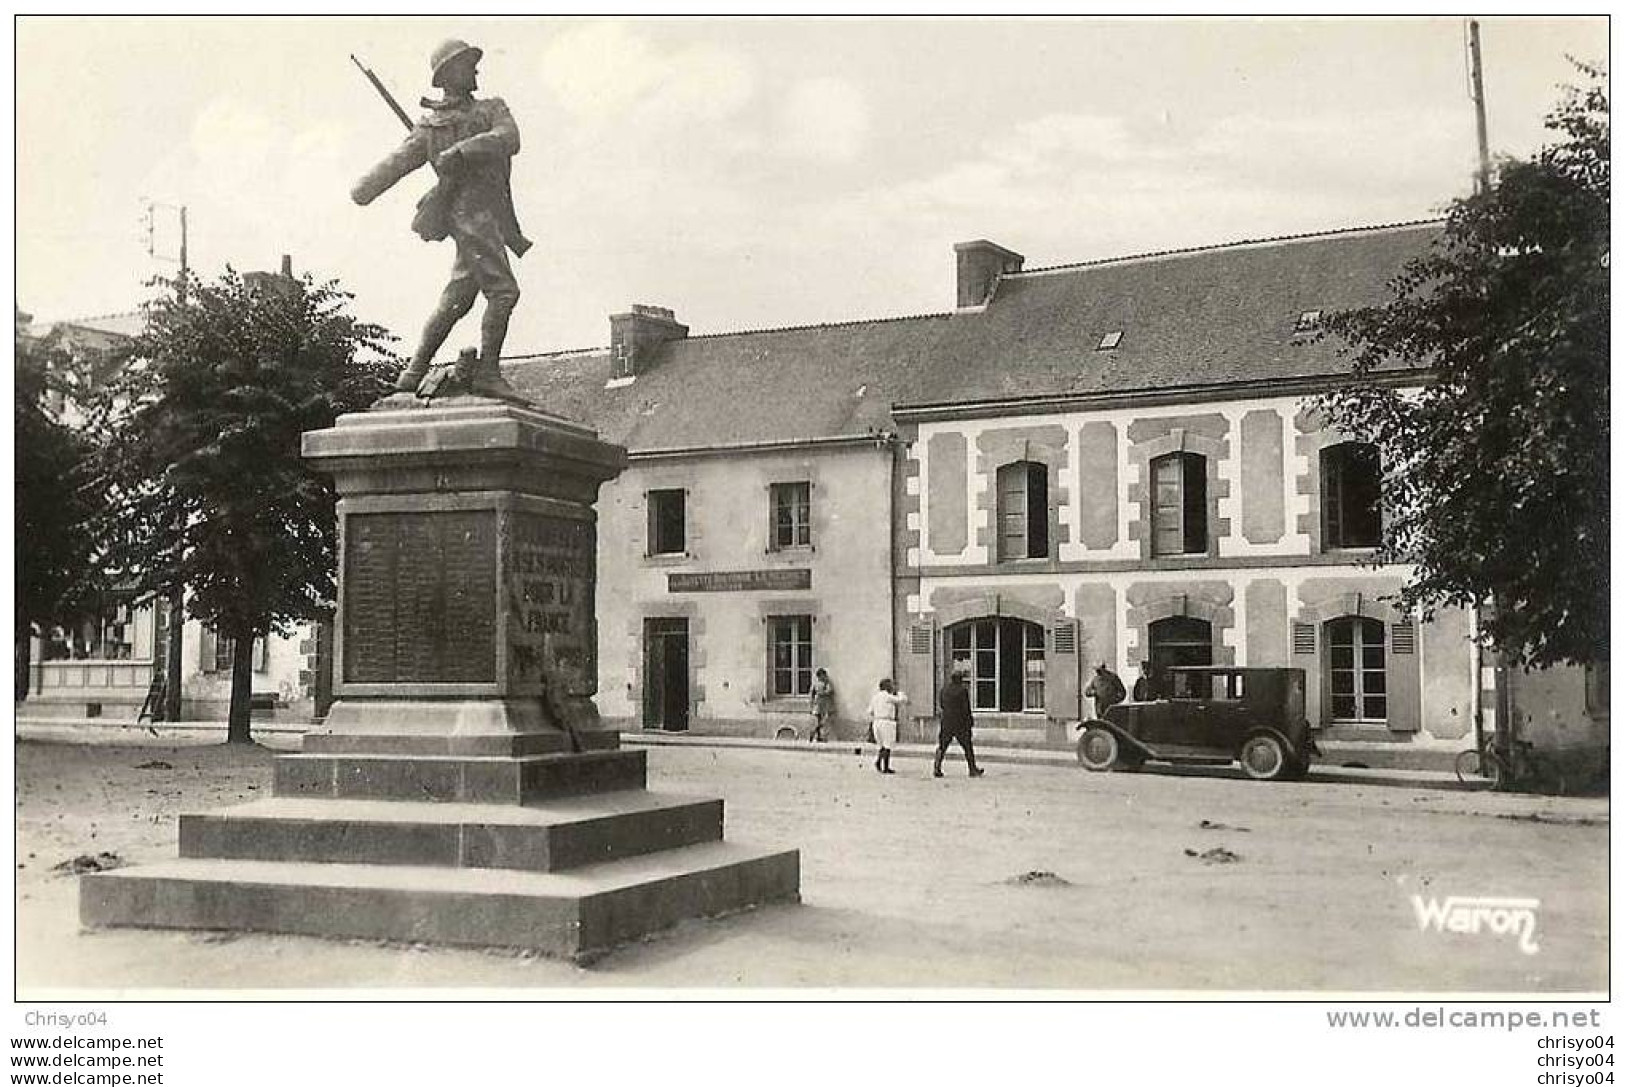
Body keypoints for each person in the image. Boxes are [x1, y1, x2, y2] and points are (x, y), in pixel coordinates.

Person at [352, 39, 531, 397]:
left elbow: (509, 138)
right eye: (467, 65)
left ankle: (411, 374)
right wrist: (364, 188)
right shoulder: (430, 127)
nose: (476, 70)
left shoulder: (491, 109)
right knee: (503, 291)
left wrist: (460, 151)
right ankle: (488, 374)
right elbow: (396, 163)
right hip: (469, 216)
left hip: (490, 216)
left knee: (456, 300)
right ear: (449, 74)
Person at [933, 668, 984, 778]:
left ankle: (936, 768)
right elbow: (966, 708)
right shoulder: (962, 690)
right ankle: (972, 769)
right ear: (960, 679)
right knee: (967, 747)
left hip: (946, 722)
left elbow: (941, 704)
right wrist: (970, 721)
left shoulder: (944, 689)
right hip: (960, 723)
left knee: (942, 746)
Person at [866, 678, 908, 774]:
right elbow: (902, 700)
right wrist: (899, 692)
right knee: (887, 745)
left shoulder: (875, 697)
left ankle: (878, 762)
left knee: (881, 745)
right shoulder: (888, 697)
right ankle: (885, 767)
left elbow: (870, 711)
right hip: (887, 722)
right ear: (887, 686)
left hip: (877, 721)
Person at [808, 667, 836, 742]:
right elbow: (811, 694)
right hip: (817, 704)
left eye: (824, 675)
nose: (823, 677)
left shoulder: (827, 683)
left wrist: (823, 693)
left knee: (823, 721)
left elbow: (830, 691)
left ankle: (815, 733)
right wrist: (811, 705)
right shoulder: (815, 683)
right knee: (818, 720)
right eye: (821, 675)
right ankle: (817, 735)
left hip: (825, 704)